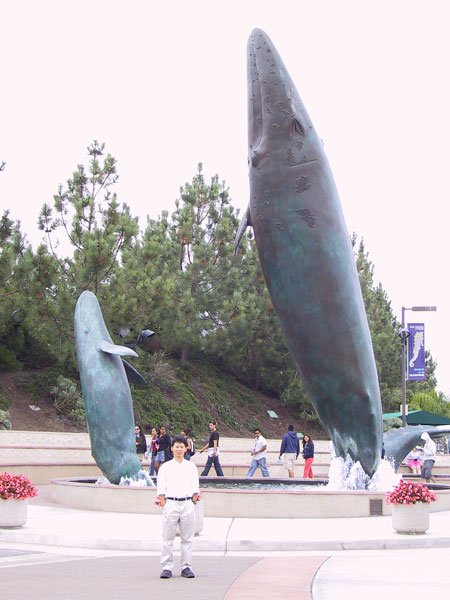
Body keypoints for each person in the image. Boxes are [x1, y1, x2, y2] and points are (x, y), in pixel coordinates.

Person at [157, 435, 199, 579]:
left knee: (187, 538)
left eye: (182, 447)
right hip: (171, 503)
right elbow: (161, 486)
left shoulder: (191, 467)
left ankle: (186, 566)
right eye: (177, 447)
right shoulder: (166, 467)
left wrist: (193, 500)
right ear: (172, 449)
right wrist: (163, 501)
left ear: (186, 449)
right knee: (168, 537)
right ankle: (167, 567)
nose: (179, 449)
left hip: (187, 503)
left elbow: (195, 486)